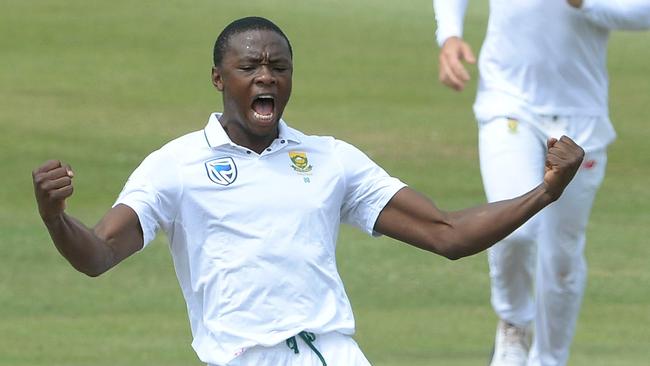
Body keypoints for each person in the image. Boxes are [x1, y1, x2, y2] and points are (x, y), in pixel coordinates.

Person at [32, 16, 584, 366]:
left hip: (332, 352)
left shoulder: (329, 159)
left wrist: (544, 193)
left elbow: (448, 234)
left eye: (279, 67)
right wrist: (56, 219)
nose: (266, 76)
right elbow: (100, 255)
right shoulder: (174, 166)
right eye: (248, 66)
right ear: (219, 79)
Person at [432, 0, 650, 365]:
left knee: (561, 258)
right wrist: (450, 33)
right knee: (513, 232)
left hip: (581, 116)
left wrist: (587, 3)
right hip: (508, 101)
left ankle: (550, 358)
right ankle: (514, 323)